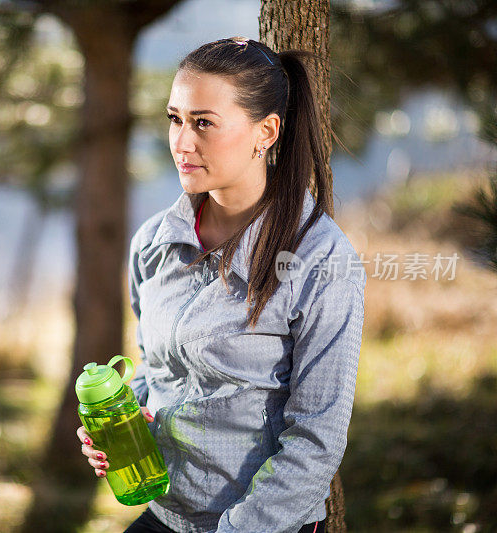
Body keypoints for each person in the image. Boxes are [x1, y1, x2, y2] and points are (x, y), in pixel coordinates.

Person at [76, 36, 366, 533]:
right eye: (175, 119)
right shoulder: (152, 243)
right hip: (167, 514)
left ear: (267, 132)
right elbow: (158, 367)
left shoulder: (321, 259)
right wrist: (124, 421)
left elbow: (317, 438)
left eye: (204, 123)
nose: (182, 143)